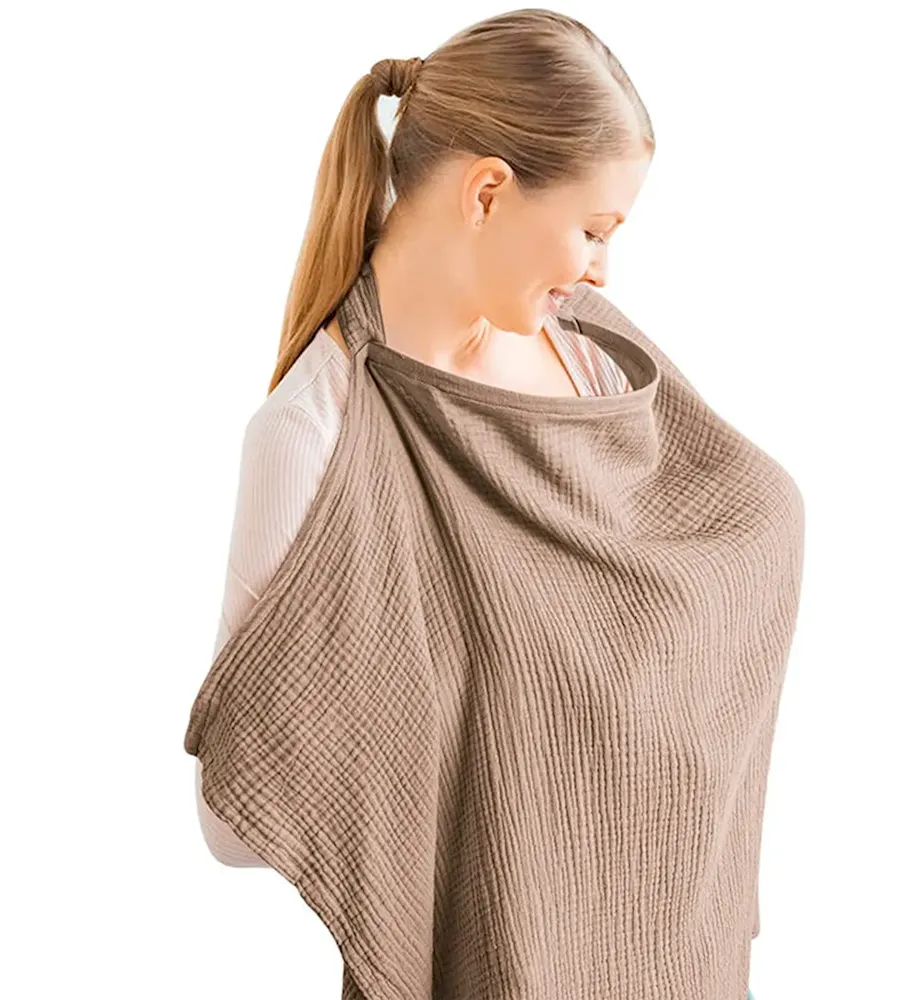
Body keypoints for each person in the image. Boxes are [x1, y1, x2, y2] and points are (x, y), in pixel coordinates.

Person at [189, 10, 772, 1000]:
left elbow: (732, 544)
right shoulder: (321, 435)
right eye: (592, 231)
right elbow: (235, 813)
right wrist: (458, 735)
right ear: (489, 191)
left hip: (665, 960)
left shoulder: (588, 359)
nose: (601, 269)